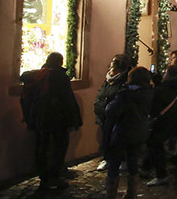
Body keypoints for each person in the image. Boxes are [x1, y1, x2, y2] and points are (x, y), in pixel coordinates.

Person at [20, 52, 82, 191]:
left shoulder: (38, 75)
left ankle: (43, 178)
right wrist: (75, 120)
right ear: (60, 62)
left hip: (40, 118)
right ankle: (55, 177)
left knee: (42, 147)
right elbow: (68, 100)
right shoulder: (60, 77)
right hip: (58, 119)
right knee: (59, 148)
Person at [103, 66, 153, 199]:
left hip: (122, 132)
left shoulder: (125, 95)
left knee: (114, 162)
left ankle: (111, 193)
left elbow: (111, 110)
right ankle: (132, 192)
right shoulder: (148, 93)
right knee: (133, 161)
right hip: (139, 132)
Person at [144, 65, 177, 186]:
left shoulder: (163, 89)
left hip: (163, 121)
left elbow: (154, 104)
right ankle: (146, 168)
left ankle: (161, 174)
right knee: (156, 144)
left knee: (154, 144)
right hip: (173, 121)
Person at [94, 54, 131, 171]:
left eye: (113, 65)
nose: (110, 68)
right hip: (104, 113)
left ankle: (121, 160)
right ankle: (106, 158)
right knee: (106, 136)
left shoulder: (125, 80)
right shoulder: (109, 78)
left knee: (117, 138)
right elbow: (103, 91)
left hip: (117, 114)